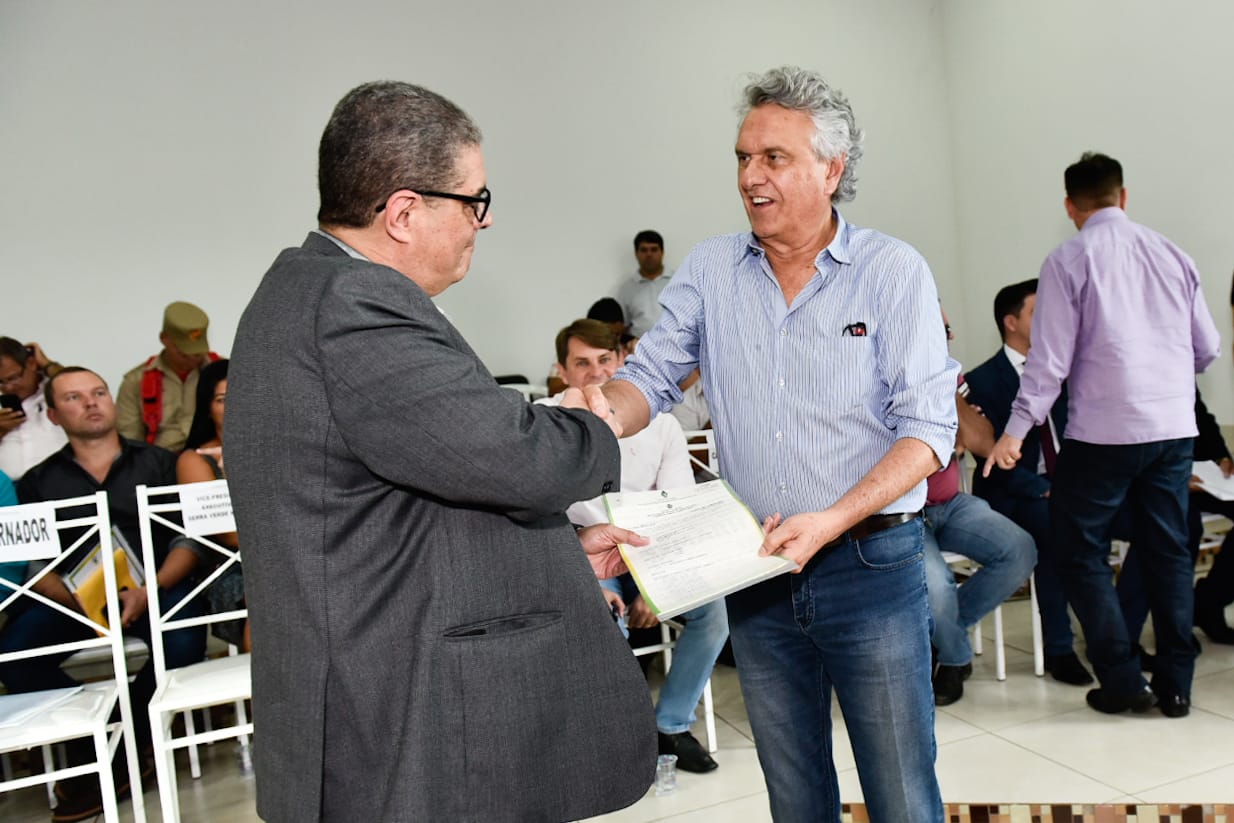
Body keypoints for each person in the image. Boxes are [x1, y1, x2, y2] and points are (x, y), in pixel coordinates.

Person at [224, 81, 656, 823]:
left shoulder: (300, 290)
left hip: (367, 673)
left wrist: (552, 555)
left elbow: (384, 503)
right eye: (473, 201)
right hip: (402, 710)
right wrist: (601, 419)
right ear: (403, 211)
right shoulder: (358, 307)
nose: (481, 223)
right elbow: (523, 459)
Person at [592, 66, 956, 822]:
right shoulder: (711, 270)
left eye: (773, 158)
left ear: (831, 168)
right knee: (793, 793)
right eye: (742, 157)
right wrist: (596, 419)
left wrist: (830, 519)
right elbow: (650, 378)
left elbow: (928, 433)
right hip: (757, 565)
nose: (750, 177)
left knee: (900, 790)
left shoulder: (892, 273)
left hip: (871, 562)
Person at [984, 152, 1221, 720]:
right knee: (1168, 551)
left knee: (1078, 548)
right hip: (1170, 430)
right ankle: (1176, 686)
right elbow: (1207, 348)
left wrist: (1014, 432)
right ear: (1123, 196)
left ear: (1071, 206)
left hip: (1102, 436)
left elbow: (1049, 364)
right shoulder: (1172, 254)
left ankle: (1120, 679)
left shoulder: (1069, 260)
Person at [0, 367, 206, 822]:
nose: (91, 403)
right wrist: (82, 605)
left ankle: (118, 749)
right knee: (13, 654)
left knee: (185, 639)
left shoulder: (160, 463)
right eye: (74, 398)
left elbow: (188, 540)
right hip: (75, 602)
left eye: (98, 393)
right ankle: (101, 739)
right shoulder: (35, 482)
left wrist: (149, 591)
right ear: (53, 415)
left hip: (156, 589)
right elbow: (36, 562)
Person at [538, 319, 728, 773]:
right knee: (603, 622)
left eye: (606, 360)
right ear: (562, 371)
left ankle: (671, 725)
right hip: (579, 557)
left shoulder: (658, 424)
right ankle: (619, 734)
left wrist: (655, 585)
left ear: (622, 362)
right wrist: (587, 582)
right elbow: (539, 514)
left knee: (713, 613)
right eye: (582, 364)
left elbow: (677, 507)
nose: (596, 373)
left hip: (647, 553)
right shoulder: (543, 421)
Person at [966, 279, 1097, 686]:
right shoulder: (980, 381)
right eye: (1039, 313)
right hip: (1014, 494)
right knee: (1055, 529)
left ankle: (1113, 637)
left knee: (1144, 522)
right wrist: (1042, 488)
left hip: (1071, 487)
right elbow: (989, 455)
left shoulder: (1064, 370)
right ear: (1011, 323)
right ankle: (1061, 649)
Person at [921, 311, 1036, 705]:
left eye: (947, 329)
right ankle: (953, 658)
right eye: (938, 328)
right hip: (902, 516)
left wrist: (945, 388)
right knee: (936, 586)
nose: (946, 336)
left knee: (1019, 548)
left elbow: (985, 443)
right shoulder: (877, 376)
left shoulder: (954, 381)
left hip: (951, 502)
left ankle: (942, 638)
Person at [170, 358, 249, 651]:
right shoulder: (194, 460)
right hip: (230, 570)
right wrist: (230, 473)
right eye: (223, 399)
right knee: (270, 593)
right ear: (207, 407)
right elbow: (227, 535)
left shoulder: (280, 447)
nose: (235, 405)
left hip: (289, 558)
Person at [115, 301, 219, 451]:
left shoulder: (223, 372)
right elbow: (129, 442)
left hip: (213, 457)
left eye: (197, 353)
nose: (192, 359)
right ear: (164, 338)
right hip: (161, 463)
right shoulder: (136, 381)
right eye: (183, 353)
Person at [0, 337, 67, 480]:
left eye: (13, 378)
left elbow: (80, 383)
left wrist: (48, 364)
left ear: (31, 364)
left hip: (60, 483)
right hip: (9, 491)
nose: (8, 387)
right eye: (0, 382)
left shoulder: (58, 392)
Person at [617, 229, 672, 337]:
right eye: (644, 250)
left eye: (654, 249)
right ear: (636, 254)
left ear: (662, 252)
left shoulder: (677, 282)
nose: (649, 254)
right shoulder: (626, 289)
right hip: (639, 348)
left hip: (675, 347)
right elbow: (622, 326)